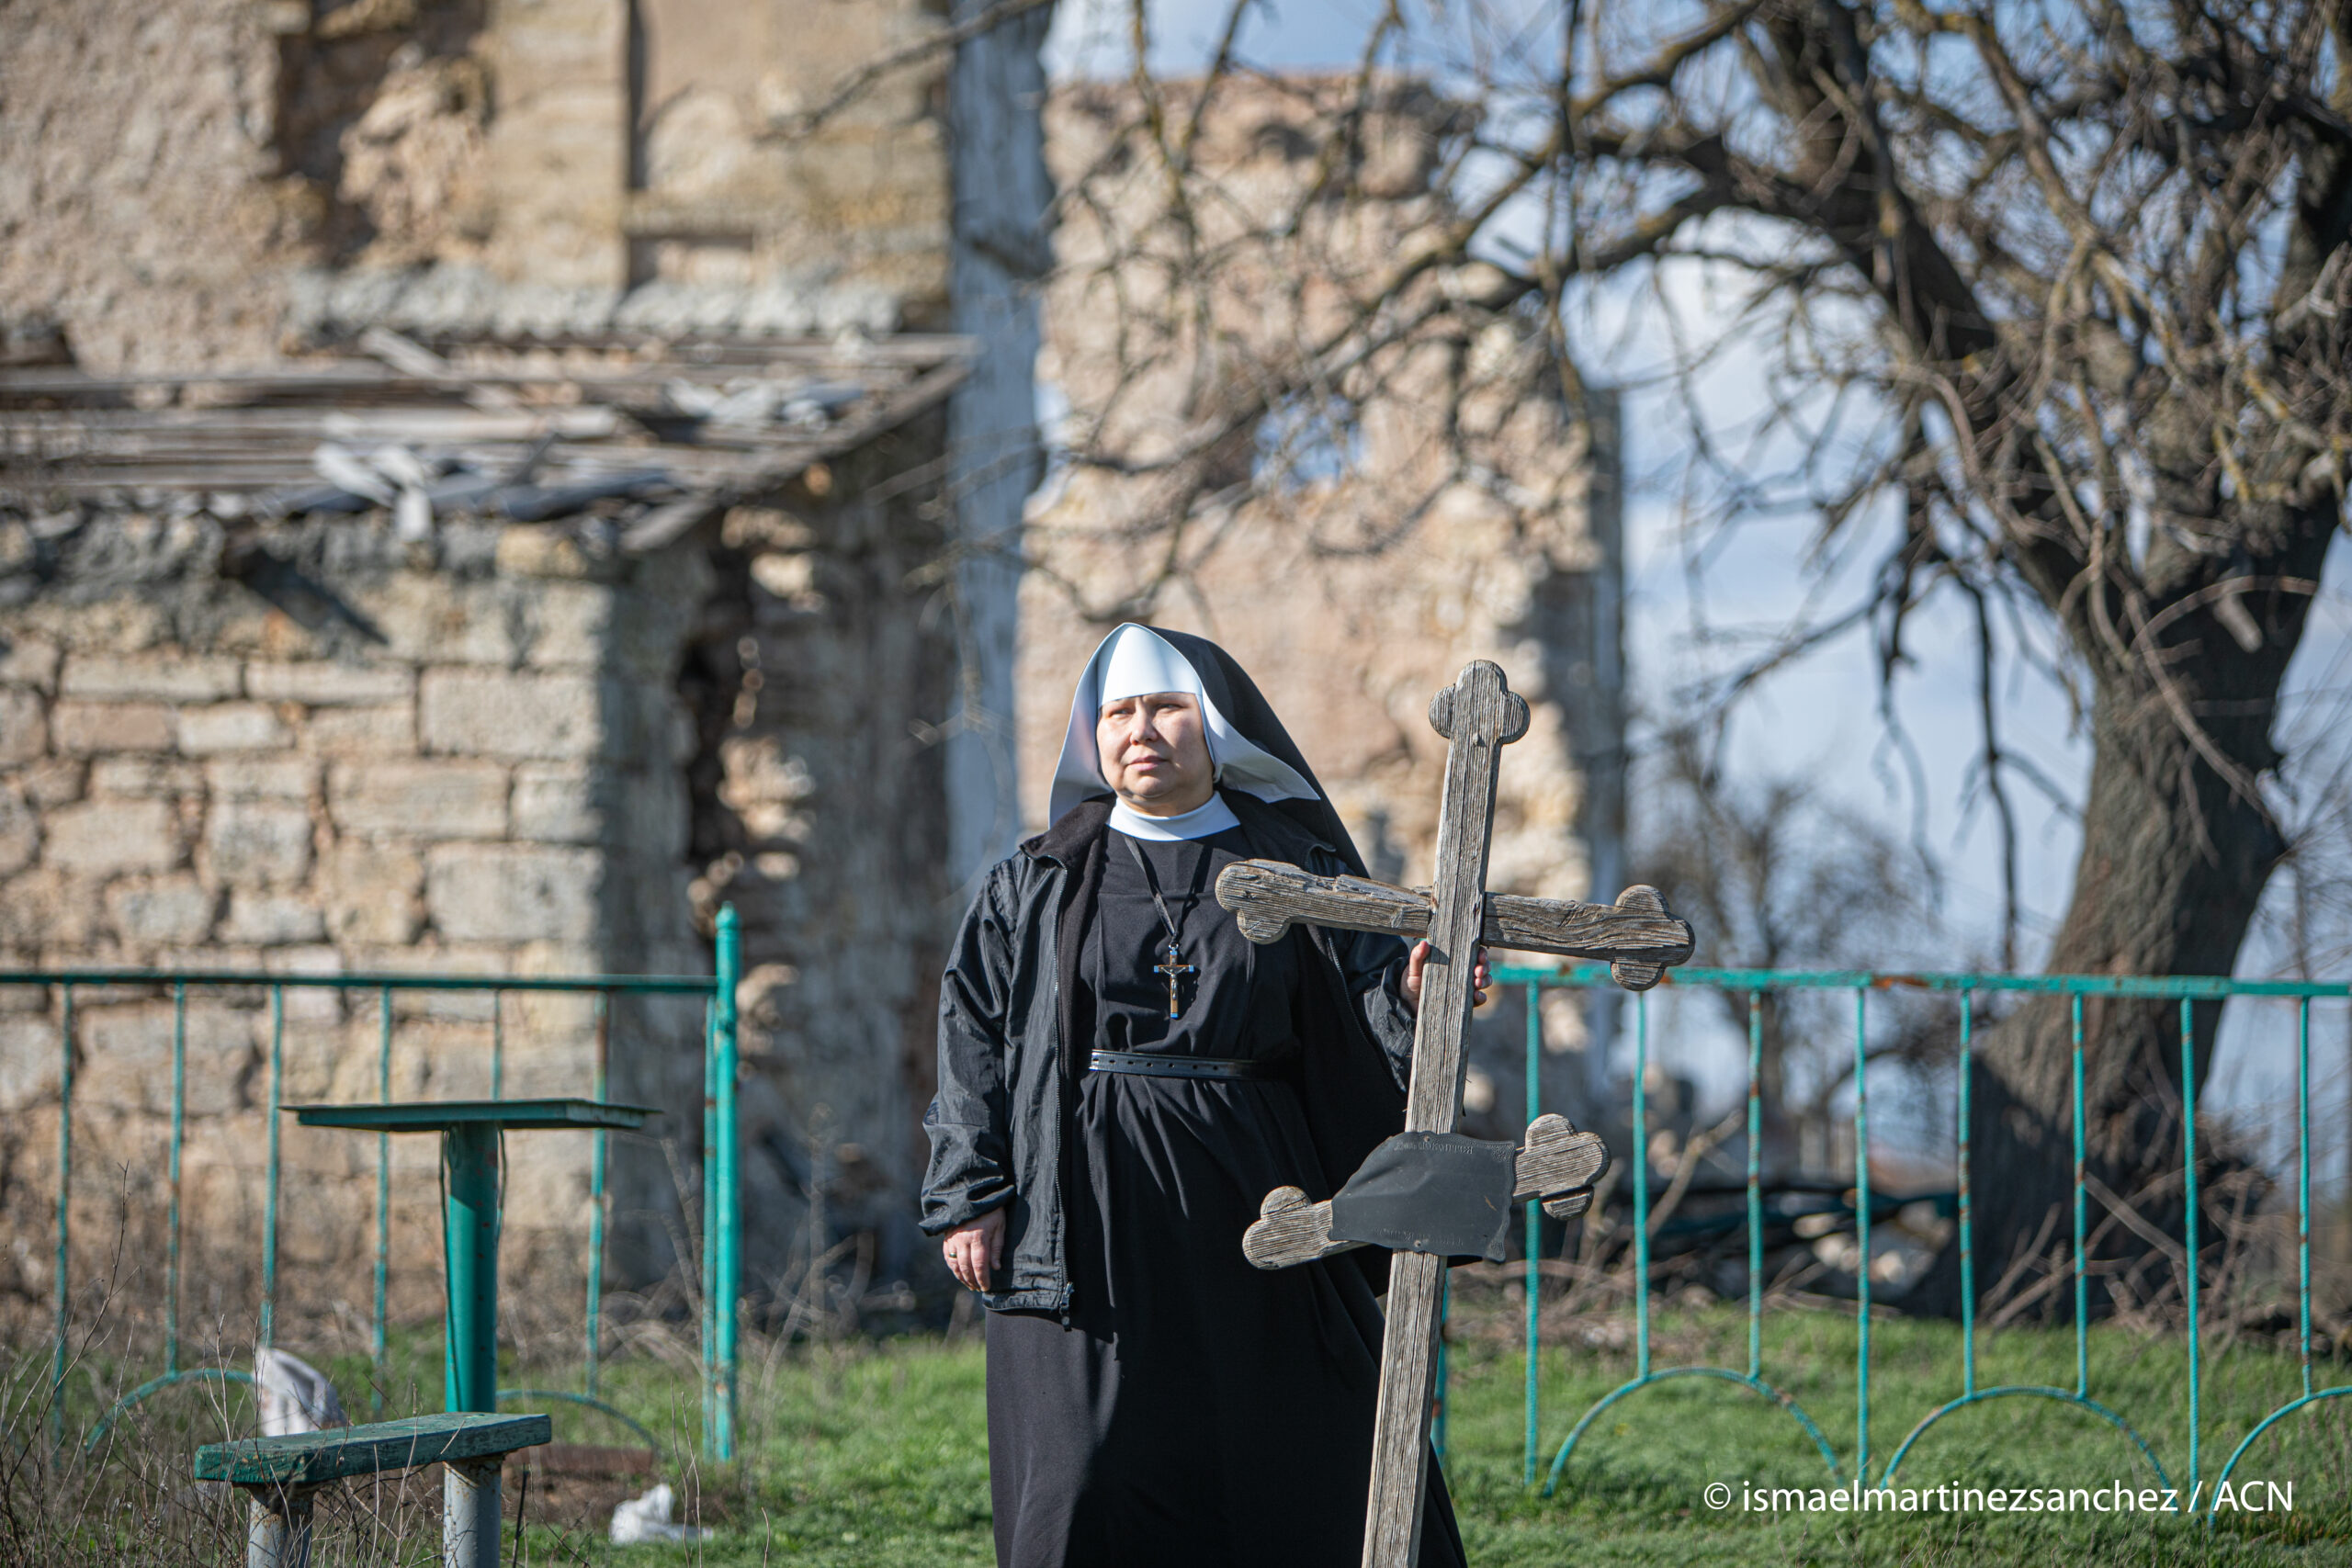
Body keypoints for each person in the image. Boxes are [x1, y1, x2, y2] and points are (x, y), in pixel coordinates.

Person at [922, 624, 1486, 1568]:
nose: (1140, 731)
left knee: (1302, 1450)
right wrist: (968, 1193)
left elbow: (1366, 1004)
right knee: (1082, 1474)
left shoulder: (1300, 869)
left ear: (1215, 723)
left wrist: (1412, 993)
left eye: (1164, 708)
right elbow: (972, 1034)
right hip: (1081, 1201)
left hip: (1260, 1192)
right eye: (1118, 713)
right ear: (1092, 736)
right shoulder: (1039, 877)